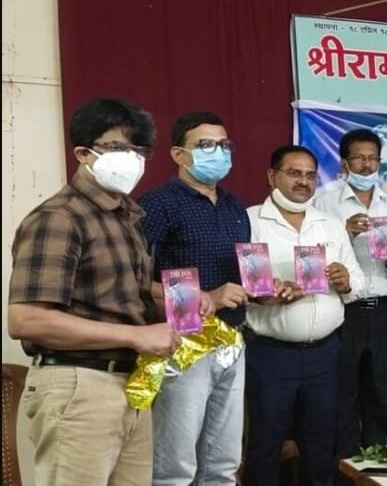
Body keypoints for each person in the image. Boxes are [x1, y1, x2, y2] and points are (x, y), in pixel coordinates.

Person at [7, 97, 182, 485]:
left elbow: (118, 287)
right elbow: (26, 320)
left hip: (130, 384)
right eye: (117, 147)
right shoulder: (59, 218)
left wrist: (176, 298)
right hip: (79, 385)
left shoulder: (125, 216)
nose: (131, 159)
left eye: (138, 150)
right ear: (84, 153)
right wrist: (136, 335)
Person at [139, 111, 250, 485]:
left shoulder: (235, 206)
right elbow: (134, 280)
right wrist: (205, 297)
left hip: (232, 339)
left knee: (223, 463)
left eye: (223, 145)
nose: (218, 152)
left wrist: (264, 290)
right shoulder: (158, 204)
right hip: (183, 343)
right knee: (176, 465)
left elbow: (242, 274)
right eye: (205, 145)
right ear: (178, 154)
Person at [244, 144, 365, 486]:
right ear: (272, 176)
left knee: (321, 444)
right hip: (270, 354)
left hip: (325, 353)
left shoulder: (330, 224)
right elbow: (243, 285)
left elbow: (358, 283)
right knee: (266, 444)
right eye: (294, 173)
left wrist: (345, 281)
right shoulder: (250, 220)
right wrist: (268, 291)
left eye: (310, 175)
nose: (303, 182)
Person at [312, 129, 387, 466]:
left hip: (383, 309)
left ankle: (381, 463)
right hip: (344, 310)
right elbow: (314, 262)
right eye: (359, 158)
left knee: (382, 389)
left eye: (372, 158)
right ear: (344, 163)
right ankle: (345, 465)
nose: (367, 165)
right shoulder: (324, 203)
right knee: (344, 390)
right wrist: (346, 234)